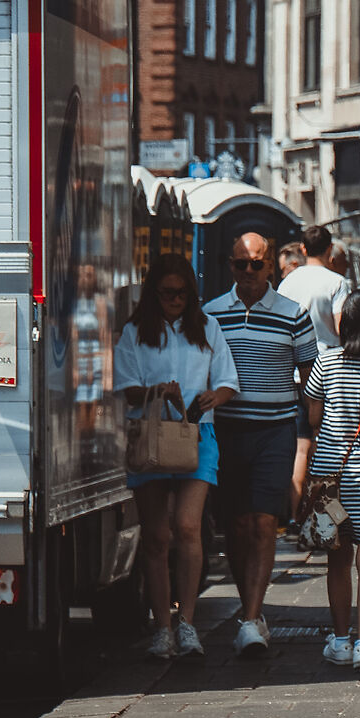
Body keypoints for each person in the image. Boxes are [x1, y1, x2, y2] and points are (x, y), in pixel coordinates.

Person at [116, 256, 238, 662]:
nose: (175, 300)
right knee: (156, 536)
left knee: (188, 528)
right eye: (167, 293)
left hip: (197, 434)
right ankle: (162, 627)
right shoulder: (135, 333)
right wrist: (158, 391)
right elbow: (127, 389)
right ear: (154, 293)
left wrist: (212, 397)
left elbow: (227, 383)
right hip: (151, 437)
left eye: (182, 293)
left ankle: (186, 622)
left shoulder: (207, 329)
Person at [205, 231, 317, 658]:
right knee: (235, 523)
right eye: (241, 264)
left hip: (275, 431)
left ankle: (251, 617)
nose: (249, 272)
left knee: (264, 522)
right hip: (228, 431)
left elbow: (311, 371)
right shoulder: (212, 314)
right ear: (230, 267)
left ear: (271, 266)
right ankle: (249, 613)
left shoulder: (293, 313)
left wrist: (307, 418)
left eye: (257, 264)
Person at [292, 288, 360, 669]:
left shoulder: (326, 364)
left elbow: (312, 418)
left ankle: (340, 640)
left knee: (337, 559)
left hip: (332, 473)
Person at [281, 222, 348, 350]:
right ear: (330, 248)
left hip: (295, 360)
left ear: (303, 249)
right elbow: (341, 328)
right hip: (328, 360)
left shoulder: (287, 282)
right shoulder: (337, 282)